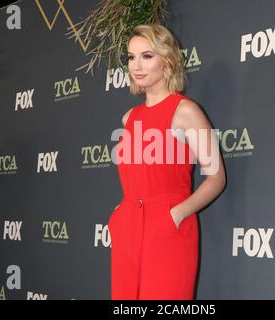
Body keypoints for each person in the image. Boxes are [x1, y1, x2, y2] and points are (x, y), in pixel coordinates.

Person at [108, 24, 226, 300]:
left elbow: (216, 178)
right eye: (131, 57)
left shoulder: (185, 111)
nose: (137, 65)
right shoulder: (129, 118)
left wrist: (176, 214)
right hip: (127, 229)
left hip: (168, 228)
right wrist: (120, 215)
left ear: (168, 59)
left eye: (147, 56)